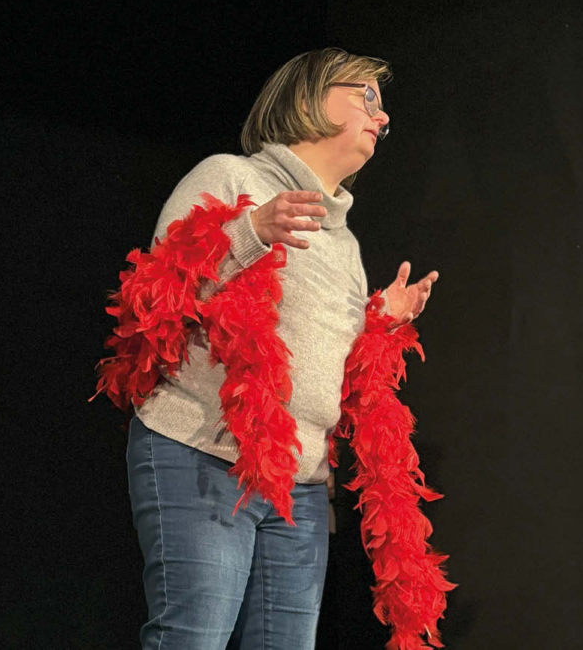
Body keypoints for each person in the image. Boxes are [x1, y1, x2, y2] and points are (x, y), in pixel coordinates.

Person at [124, 47, 439, 650]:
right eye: (365, 96)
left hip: (300, 483)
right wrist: (249, 231)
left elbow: (323, 365)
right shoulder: (229, 177)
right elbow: (153, 298)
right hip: (204, 452)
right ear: (307, 99)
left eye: (384, 103)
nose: (383, 115)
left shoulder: (342, 241)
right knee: (193, 639)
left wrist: (381, 328)